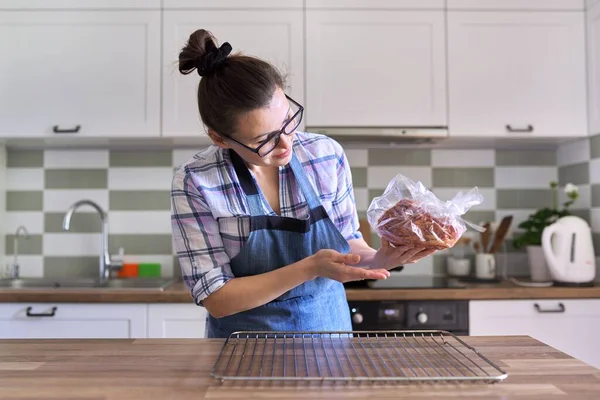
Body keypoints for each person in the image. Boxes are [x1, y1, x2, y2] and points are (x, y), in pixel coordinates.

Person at [170, 29, 436, 339]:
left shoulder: (324, 155)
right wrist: (310, 268)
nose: (286, 144)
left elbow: (346, 242)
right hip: (241, 355)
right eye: (264, 140)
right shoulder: (197, 181)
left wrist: (382, 257)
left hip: (330, 344)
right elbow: (217, 299)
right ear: (219, 138)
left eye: (288, 122)